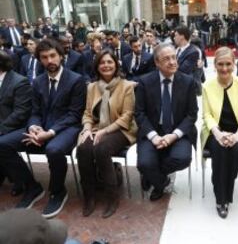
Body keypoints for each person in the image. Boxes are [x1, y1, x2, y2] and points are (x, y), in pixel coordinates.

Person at [0, 39, 87, 218]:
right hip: (42, 127)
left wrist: (50, 133)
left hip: (67, 128)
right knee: (3, 144)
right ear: (40, 60)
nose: (49, 61)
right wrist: (34, 126)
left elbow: (74, 114)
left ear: (61, 56)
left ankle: (58, 191)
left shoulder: (76, 80)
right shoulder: (38, 81)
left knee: (53, 149)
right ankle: (32, 187)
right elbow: (34, 111)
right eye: (44, 57)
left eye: (53, 56)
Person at [77, 50, 137, 218]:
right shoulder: (92, 87)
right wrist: (87, 129)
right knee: (83, 149)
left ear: (116, 64)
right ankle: (89, 196)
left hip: (122, 129)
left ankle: (112, 197)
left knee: (101, 149)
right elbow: (88, 113)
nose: (106, 65)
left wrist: (104, 131)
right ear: (97, 66)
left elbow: (127, 116)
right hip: (97, 128)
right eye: (102, 62)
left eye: (110, 62)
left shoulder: (126, 86)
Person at [135, 43, 198, 201]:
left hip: (178, 132)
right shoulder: (144, 82)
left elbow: (192, 115)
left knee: (182, 158)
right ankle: (161, 182)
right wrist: (154, 136)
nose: (172, 62)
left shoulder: (188, 82)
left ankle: (153, 176)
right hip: (152, 131)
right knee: (143, 163)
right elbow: (139, 113)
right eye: (166, 59)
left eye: (173, 57)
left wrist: (174, 136)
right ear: (157, 63)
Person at [201, 47, 238, 218]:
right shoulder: (207, 86)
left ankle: (222, 183)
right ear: (214, 65)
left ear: (234, 64)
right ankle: (221, 199)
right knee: (219, 149)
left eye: (228, 64)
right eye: (220, 64)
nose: (224, 68)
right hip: (214, 131)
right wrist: (218, 134)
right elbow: (207, 115)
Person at [0, 50, 32, 195]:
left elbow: (21, 113)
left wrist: (1, 129)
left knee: (1, 144)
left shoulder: (19, 82)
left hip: (17, 126)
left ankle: (24, 182)